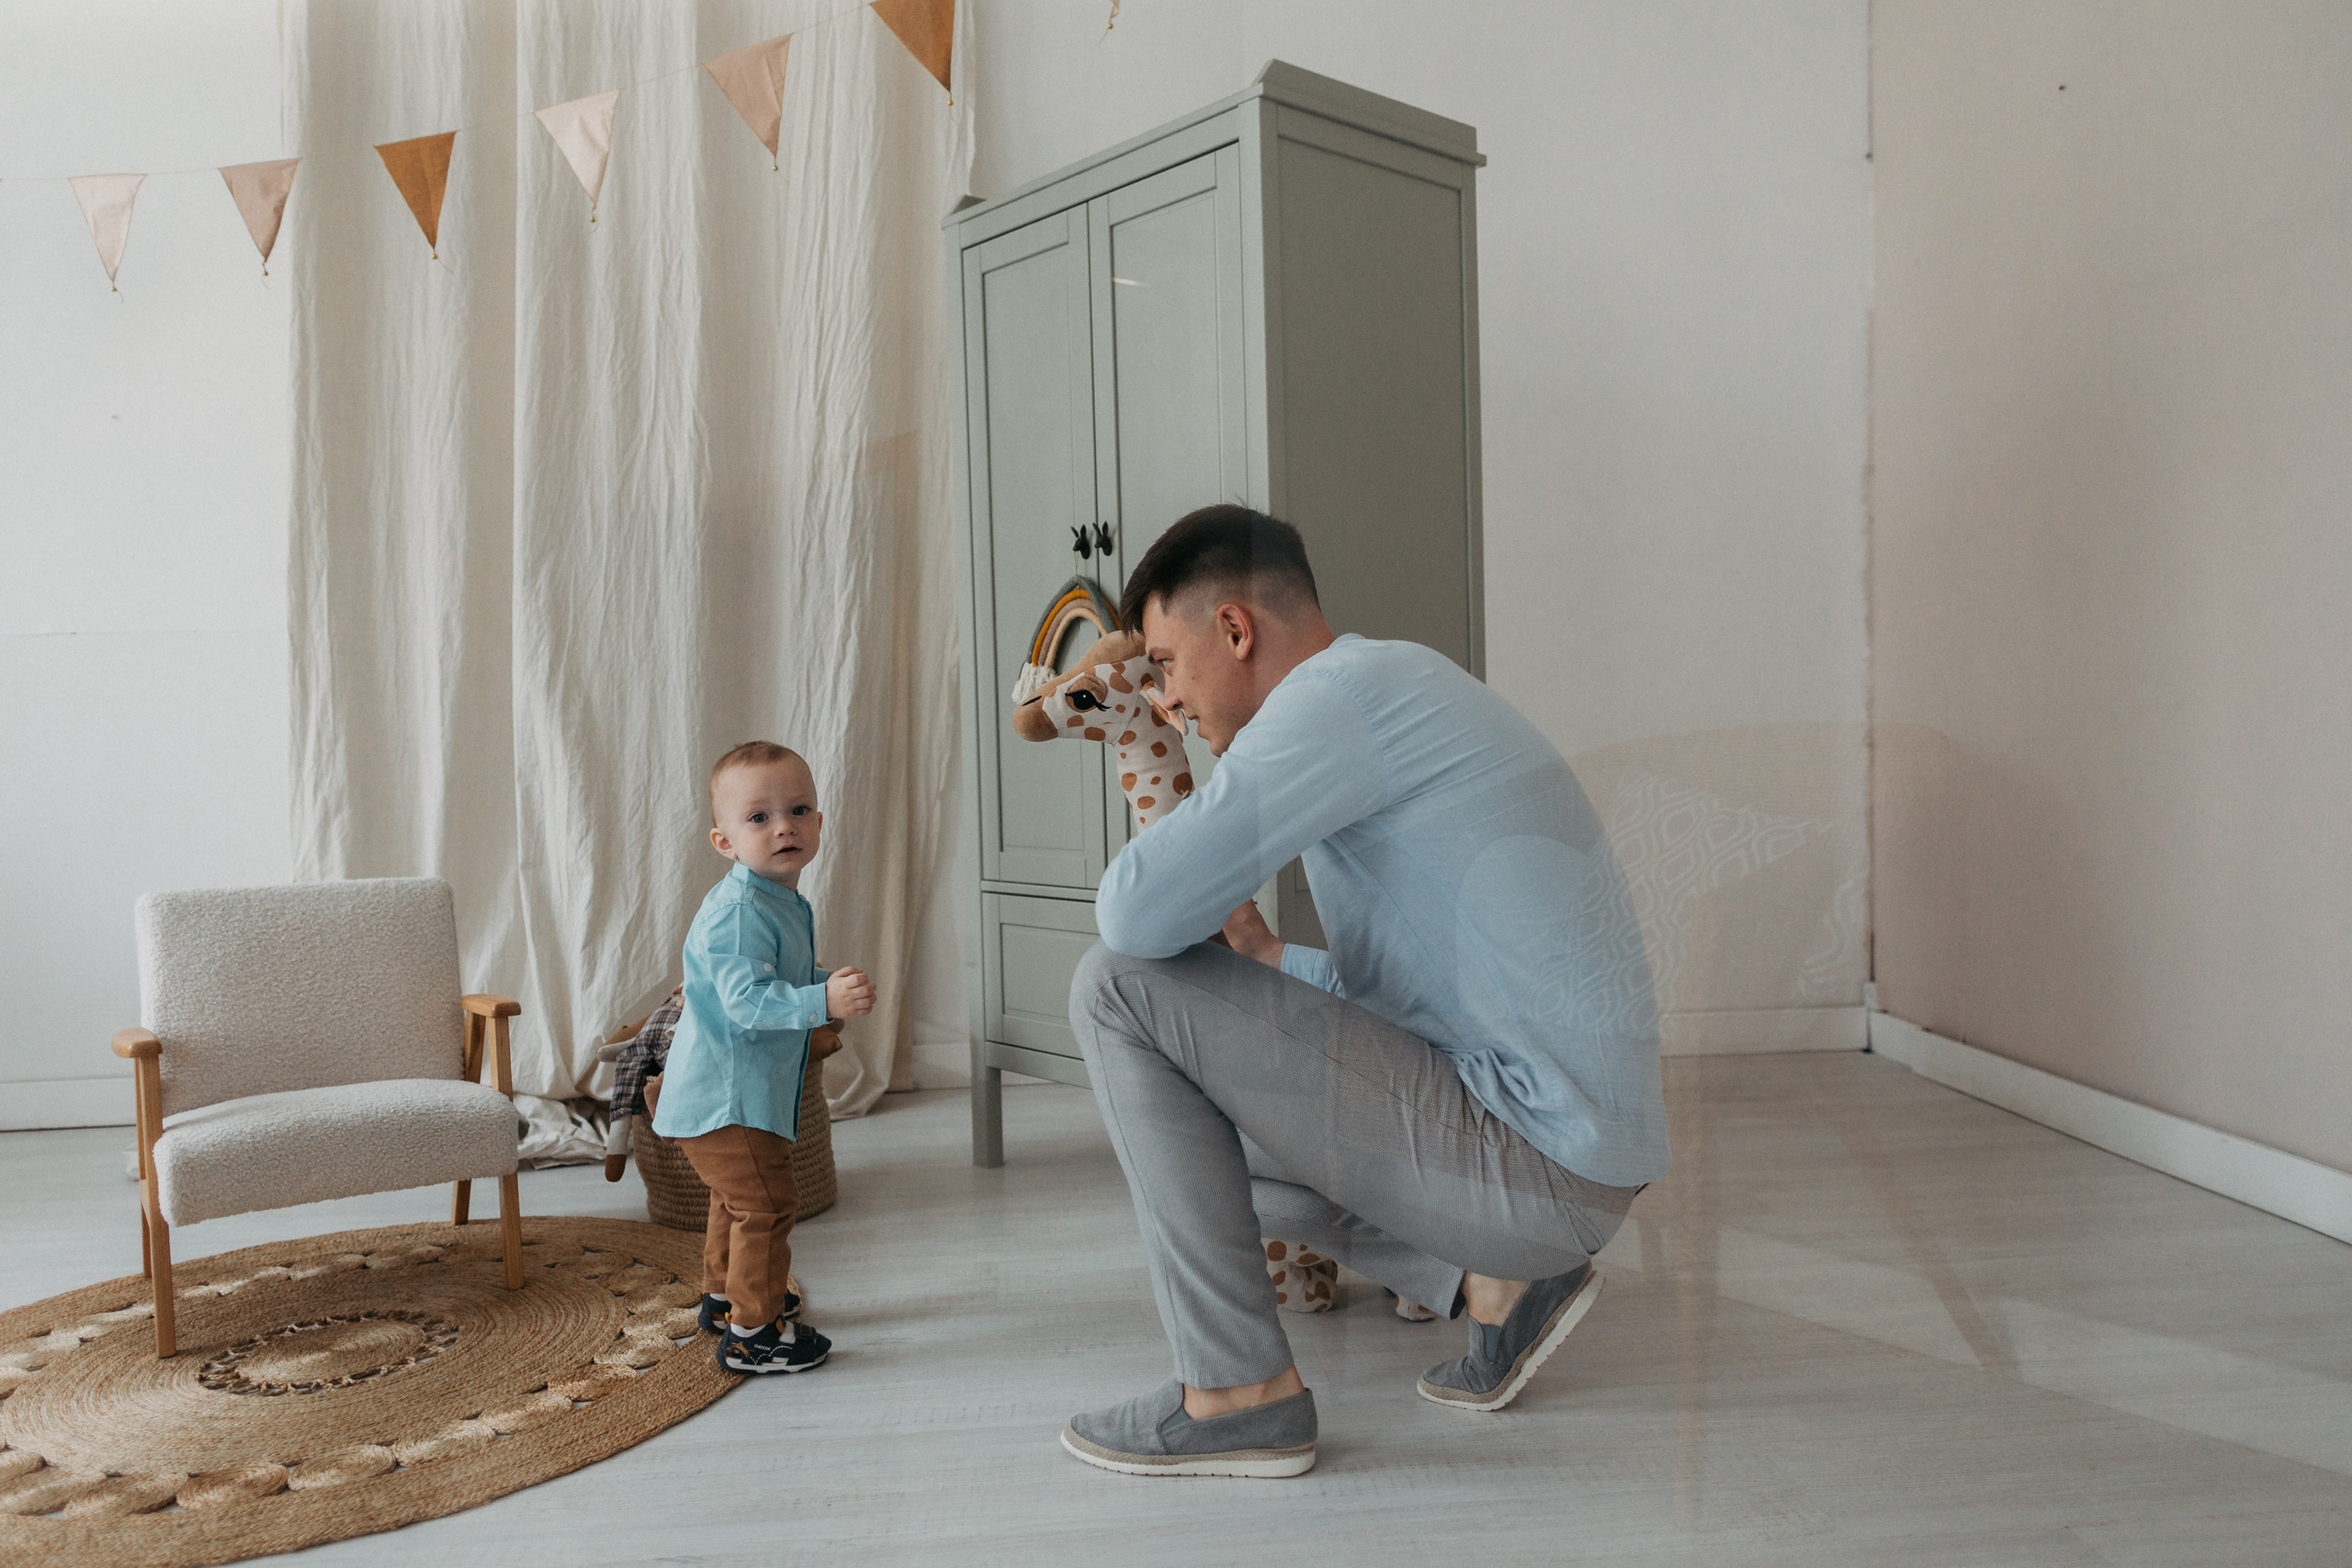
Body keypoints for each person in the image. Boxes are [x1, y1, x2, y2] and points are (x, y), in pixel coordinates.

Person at [1058, 506, 1667, 1478]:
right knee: (1197, 1138)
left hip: (1545, 1161)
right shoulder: (1389, 686)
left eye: (1166, 664)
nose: (1166, 703)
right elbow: (1414, 999)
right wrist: (1270, 964)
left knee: (1113, 989)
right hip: (1562, 1156)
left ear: (1233, 630)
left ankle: (1236, 1393)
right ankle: (1496, 1286)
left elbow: (1132, 919)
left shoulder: (1331, 701)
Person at [651, 741, 876, 1375]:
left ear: (819, 823)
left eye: (799, 809)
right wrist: (820, 997)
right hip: (728, 1096)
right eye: (759, 817)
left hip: (740, 1090)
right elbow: (748, 1001)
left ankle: (726, 1298)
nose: (783, 825)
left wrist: (824, 982)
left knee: (736, 1199)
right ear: (724, 841)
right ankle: (755, 1330)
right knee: (767, 1203)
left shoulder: (776, 898)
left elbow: (775, 975)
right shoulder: (741, 910)